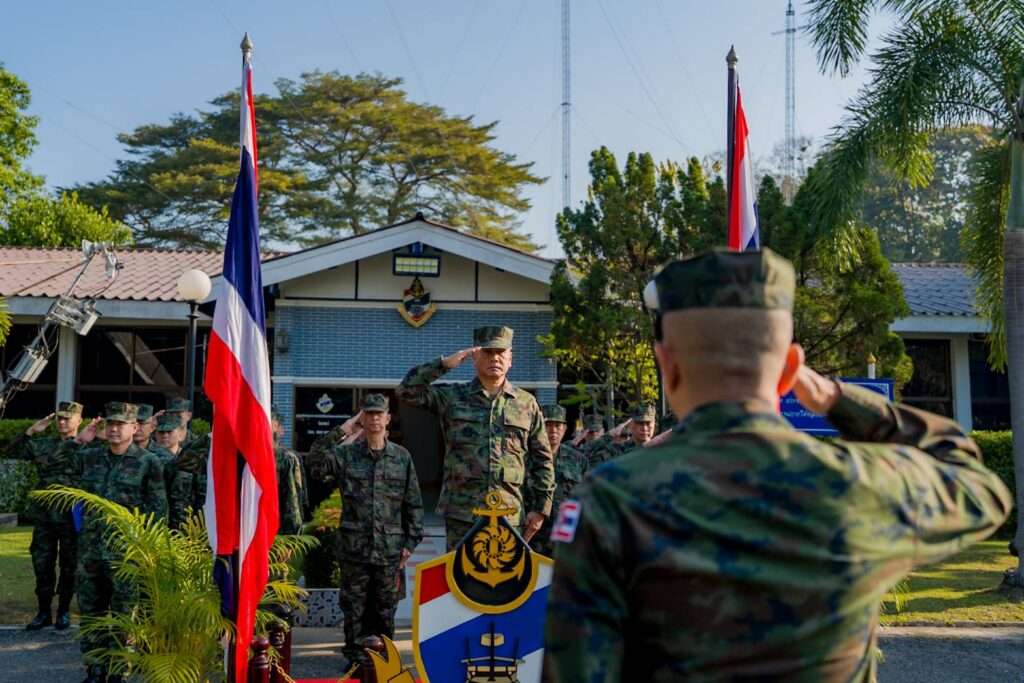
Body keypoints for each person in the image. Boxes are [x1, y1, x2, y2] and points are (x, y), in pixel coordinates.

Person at [541, 249, 1013, 682]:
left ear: (668, 365)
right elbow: (977, 484)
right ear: (789, 368)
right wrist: (836, 398)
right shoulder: (858, 484)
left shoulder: (610, 501)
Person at [396, 325, 555, 551]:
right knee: (460, 573)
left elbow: (543, 459)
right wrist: (443, 364)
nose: (495, 358)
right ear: (474, 358)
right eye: (487, 352)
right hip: (462, 514)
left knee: (506, 572)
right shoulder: (453, 397)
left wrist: (541, 509)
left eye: (501, 352)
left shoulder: (526, 403)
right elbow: (406, 391)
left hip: (509, 514)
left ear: (510, 359)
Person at [312, 394, 424, 666]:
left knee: (385, 609)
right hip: (354, 549)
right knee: (354, 608)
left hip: (389, 550)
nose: (374, 418)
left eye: (379, 413)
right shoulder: (346, 455)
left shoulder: (401, 457)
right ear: (362, 418)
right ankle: (355, 663)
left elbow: (413, 505)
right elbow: (315, 462)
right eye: (369, 413)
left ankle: (384, 662)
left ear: (388, 418)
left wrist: (409, 544)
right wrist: (343, 430)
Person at [66, 402, 168, 683]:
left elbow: (158, 510)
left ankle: (118, 671)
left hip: (126, 553)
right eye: (110, 423)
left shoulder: (149, 462)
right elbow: (56, 465)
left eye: (120, 424)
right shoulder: (90, 457)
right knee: (91, 612)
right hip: (90, 550)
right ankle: (95, 669)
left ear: (134, 428)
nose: (113, 429)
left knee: (125, 615)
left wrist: (149, 552)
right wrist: (79, 441)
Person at [4, 402, 84, 631]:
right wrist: (30, 431)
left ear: (79, 420)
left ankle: (64, 611)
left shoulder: (85, 446)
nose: (62, 422)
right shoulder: (43, 444)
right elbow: (12, 452)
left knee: (69, 564)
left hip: (71, 516)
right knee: (42, 564)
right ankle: (43, 612)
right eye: (59, 418)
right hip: (45, 517)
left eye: (67, 418)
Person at [529, 405, 588, 557]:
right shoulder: (525, 457)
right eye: (548, 425)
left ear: (565, 428)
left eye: (557, 425)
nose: (553, 430)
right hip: (534, 535)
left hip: (566, 534)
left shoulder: (578, 460)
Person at [150, 413, 199, 529]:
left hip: (188, 521)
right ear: (155, 434)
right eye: (161, 432)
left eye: (169, 432)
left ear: (181, 434)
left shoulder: (191, 459)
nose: (165, 436)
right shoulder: (148, 460)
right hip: (157, 523)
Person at [271, 406, 307, 534]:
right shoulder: (245, 457)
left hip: (278, 532)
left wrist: (292, 537)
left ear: (279, 429)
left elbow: (293, 504)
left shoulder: (287, 459)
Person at [586, 404, 656, 468]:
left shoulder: (659, 451)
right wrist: (608, 435)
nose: (644, 428)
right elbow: (586, 458)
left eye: (648, 423)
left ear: (654, 424)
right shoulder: (616, 451)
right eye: (640, 423)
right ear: (631, 424)